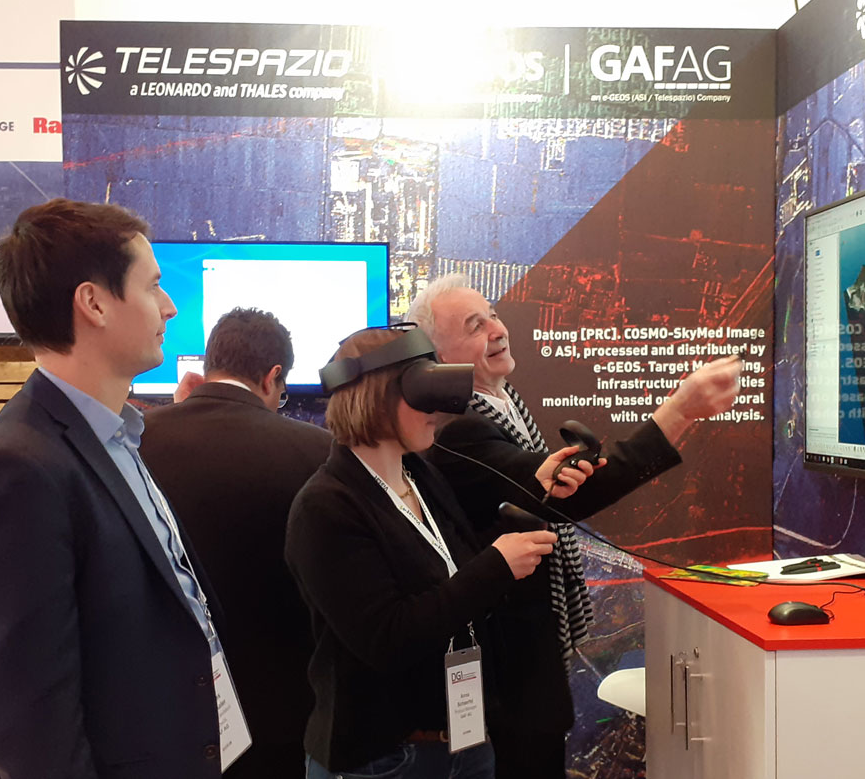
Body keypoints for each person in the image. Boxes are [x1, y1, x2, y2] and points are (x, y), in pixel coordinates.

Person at [408, 273, 742, 779]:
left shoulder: (500, 407)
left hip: (525, 667)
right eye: (475, 326)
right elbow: (563, 495)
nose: (497, 330)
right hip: (509, 674)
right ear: (437, 356)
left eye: (493, 315)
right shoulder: (460, 430)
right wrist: (679, 411)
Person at [0, 198, 237, 778]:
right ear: (94, 303)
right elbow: (30, 724)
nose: (170, 306)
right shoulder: (17, 468)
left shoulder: (115, 435)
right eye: (152, 286)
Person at [285, 326, 579, 779]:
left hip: (464, 741)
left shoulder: (419, 476)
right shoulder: (326, 507)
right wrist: (496, 566)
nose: (437, 410)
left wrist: (531, 499)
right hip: (383, 759)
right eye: (423, 393)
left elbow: (452, 566)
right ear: (376, 398)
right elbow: (387, 638)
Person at [140, 307, 332, 779]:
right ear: (272, 376)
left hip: (164, 702)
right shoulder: (317, 451)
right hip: (284, 706)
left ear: (209, 365)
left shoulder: (136, 444)